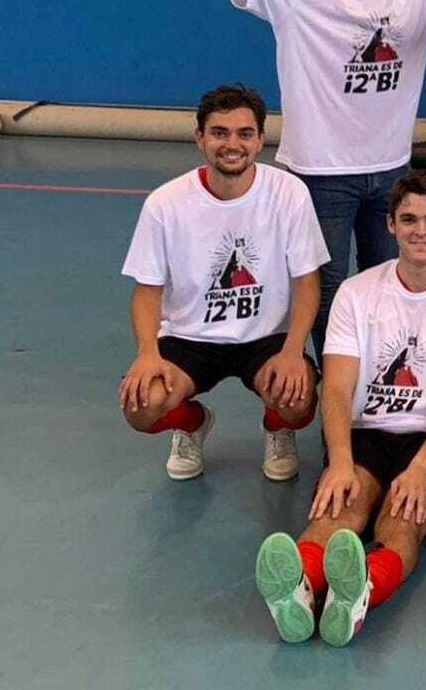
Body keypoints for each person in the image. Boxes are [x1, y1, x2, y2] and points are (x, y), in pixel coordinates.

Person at [205, 0, 426, 358]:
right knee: (323, 290)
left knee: (394, 283)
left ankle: (376, 383)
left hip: (391, 172)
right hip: (318, 174)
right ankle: (329, 385)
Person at [251, 171, 426, 646]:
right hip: (367, 430)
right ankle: (297, 591)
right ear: (390, 225)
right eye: (408, 219)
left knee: (402, 517)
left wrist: (422, 467)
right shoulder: (356, 291)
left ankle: (360, 591)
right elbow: (340, 388)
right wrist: (340, 462)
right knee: (339, 510)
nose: (420, 230)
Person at [119, 84, 327, 483]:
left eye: (244, 133)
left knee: (298, 399)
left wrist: (293, 350)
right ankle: (192, 423)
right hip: (190, 337)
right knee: (142, 406)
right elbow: (147, 292)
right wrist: (147, 353)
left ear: (261, 139)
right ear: (200, 137)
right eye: (220, 133)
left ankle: (277, 426)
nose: (232, 144)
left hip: (266, 336)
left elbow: (306, 281)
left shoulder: (289, 193)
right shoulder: (165, 204)